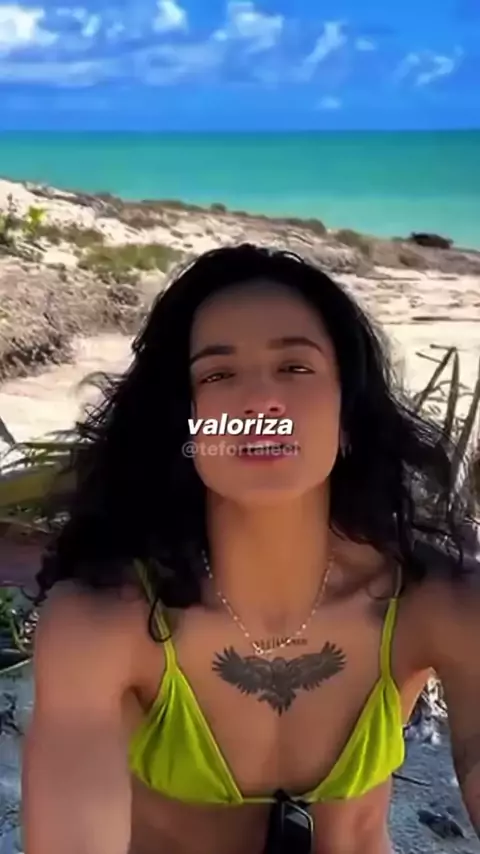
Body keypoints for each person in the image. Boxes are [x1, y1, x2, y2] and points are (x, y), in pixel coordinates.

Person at [20, 243, 480, 854]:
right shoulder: (101, 625)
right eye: (218, 375)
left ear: (347, 416)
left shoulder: (439, 603)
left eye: (295, 367)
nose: (261, 402)